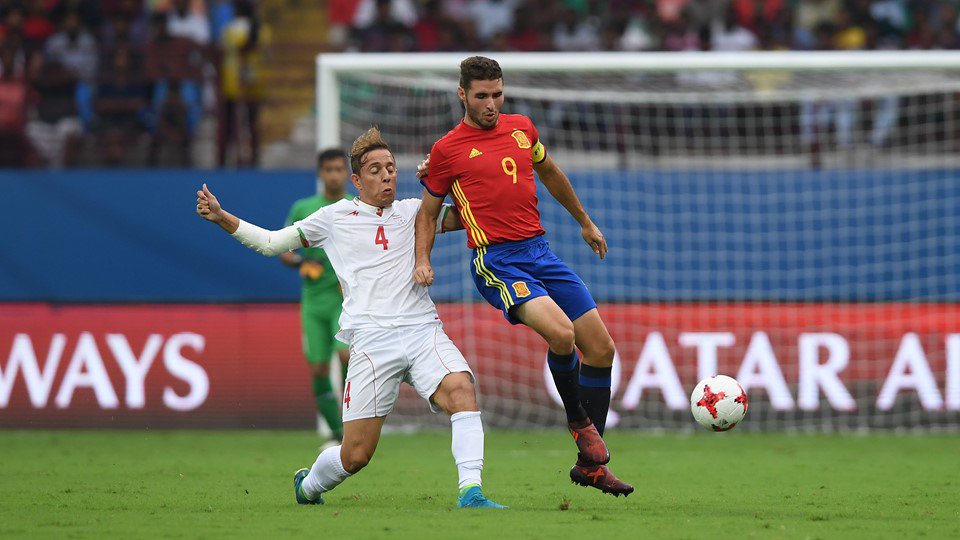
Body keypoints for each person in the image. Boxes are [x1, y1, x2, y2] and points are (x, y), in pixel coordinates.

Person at [195, 127, 505, 509]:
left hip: (422, 329)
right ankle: (309, 486)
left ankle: (471, 492)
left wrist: (445, 179)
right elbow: (272, 244)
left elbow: (472, 214)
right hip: (372, 341)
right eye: (375, 170)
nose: (386, 175)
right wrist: (221, 217)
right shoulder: (334, 218)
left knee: (461, 390)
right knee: (356, 455)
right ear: (356, 180)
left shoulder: (414, 211)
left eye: (390, 168)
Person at [414, 56, 633, 497]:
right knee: (562, 334)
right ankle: (580, 425)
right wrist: (423, 258)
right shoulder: (447, 150)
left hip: (540, 252)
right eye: (481, 96)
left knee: (601, 348)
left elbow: (549, 172)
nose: (491, 104)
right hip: (497, 261)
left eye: (497, 94)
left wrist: (585, 222)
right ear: (462, 95)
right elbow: (428, 214)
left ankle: (591, 466)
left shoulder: (522, 129)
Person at [279, 148, 353, 447]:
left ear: (347, 173)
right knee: (320, 367)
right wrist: (301, 262)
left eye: (339, 169)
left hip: (345, 301)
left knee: (348, 357)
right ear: (320, 173)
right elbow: (283, 249)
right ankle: (336, 434)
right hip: (313, 302)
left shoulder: (356, 206)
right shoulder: (303, 208)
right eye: (329, 170)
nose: (334, 175)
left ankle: (354, 424)